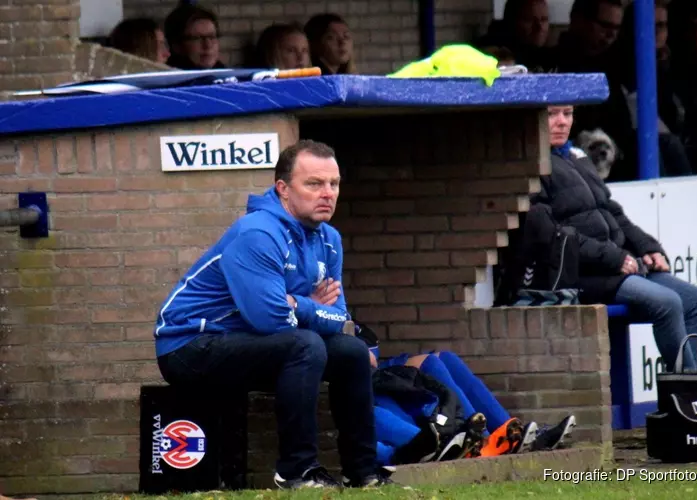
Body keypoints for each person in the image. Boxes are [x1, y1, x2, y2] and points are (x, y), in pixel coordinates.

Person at [153, 140, 389, 489]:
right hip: (190, 345)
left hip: (249, 342)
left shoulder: (329, 239)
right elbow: (273, 320)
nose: (327, 193)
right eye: (314, 184)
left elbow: (339, 317)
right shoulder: (258, 233)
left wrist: (299, 304)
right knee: (305, 345)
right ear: (283, 189)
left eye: (334, 184)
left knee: (351, 352)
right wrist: (310, 306)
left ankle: (363, 472)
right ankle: (296, 470)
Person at [508, 105, 697, 371]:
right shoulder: (530, 167)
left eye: (567, 113)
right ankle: (689, 390)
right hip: (580, 276)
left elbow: (612, 212)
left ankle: (686, 391)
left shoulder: (577, 156)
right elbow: (553, 237)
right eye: (552, 115)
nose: (562, 122)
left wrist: (647, 247)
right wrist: (614, 258)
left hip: (617, 266)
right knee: (667, 302)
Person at [355, 324, 576, 465]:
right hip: (359, 378)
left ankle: (504, 431)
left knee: (444, 358)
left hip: (374, 371)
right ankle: (481, 439)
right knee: (426, 364)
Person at [164, 4, 225, 70]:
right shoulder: (167, 77)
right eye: (197, 38)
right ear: (176, 46)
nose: (208, 45)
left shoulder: (227, 75)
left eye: (212, 37)